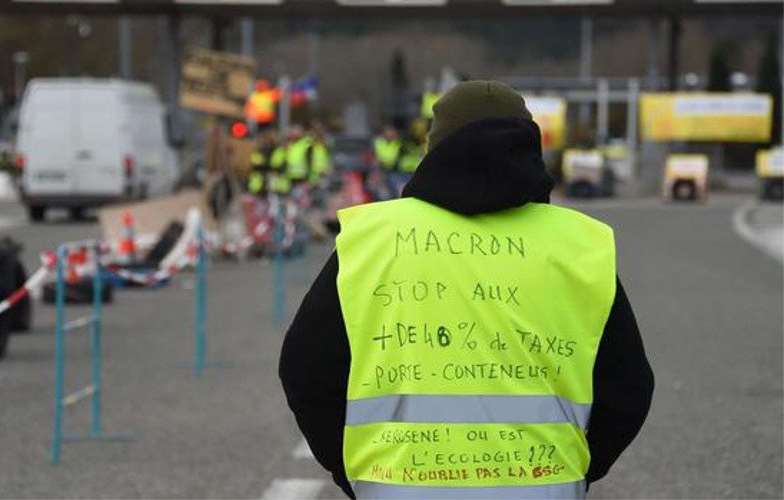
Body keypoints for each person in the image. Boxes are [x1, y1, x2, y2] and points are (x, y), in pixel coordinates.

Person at [280, 80, 654, 499]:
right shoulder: (581, 245)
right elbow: (629, 388)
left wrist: (354, 472)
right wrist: (574, 471)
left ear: (434, 149)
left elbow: (306, 370)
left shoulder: (373, 239)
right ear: (529, 146)